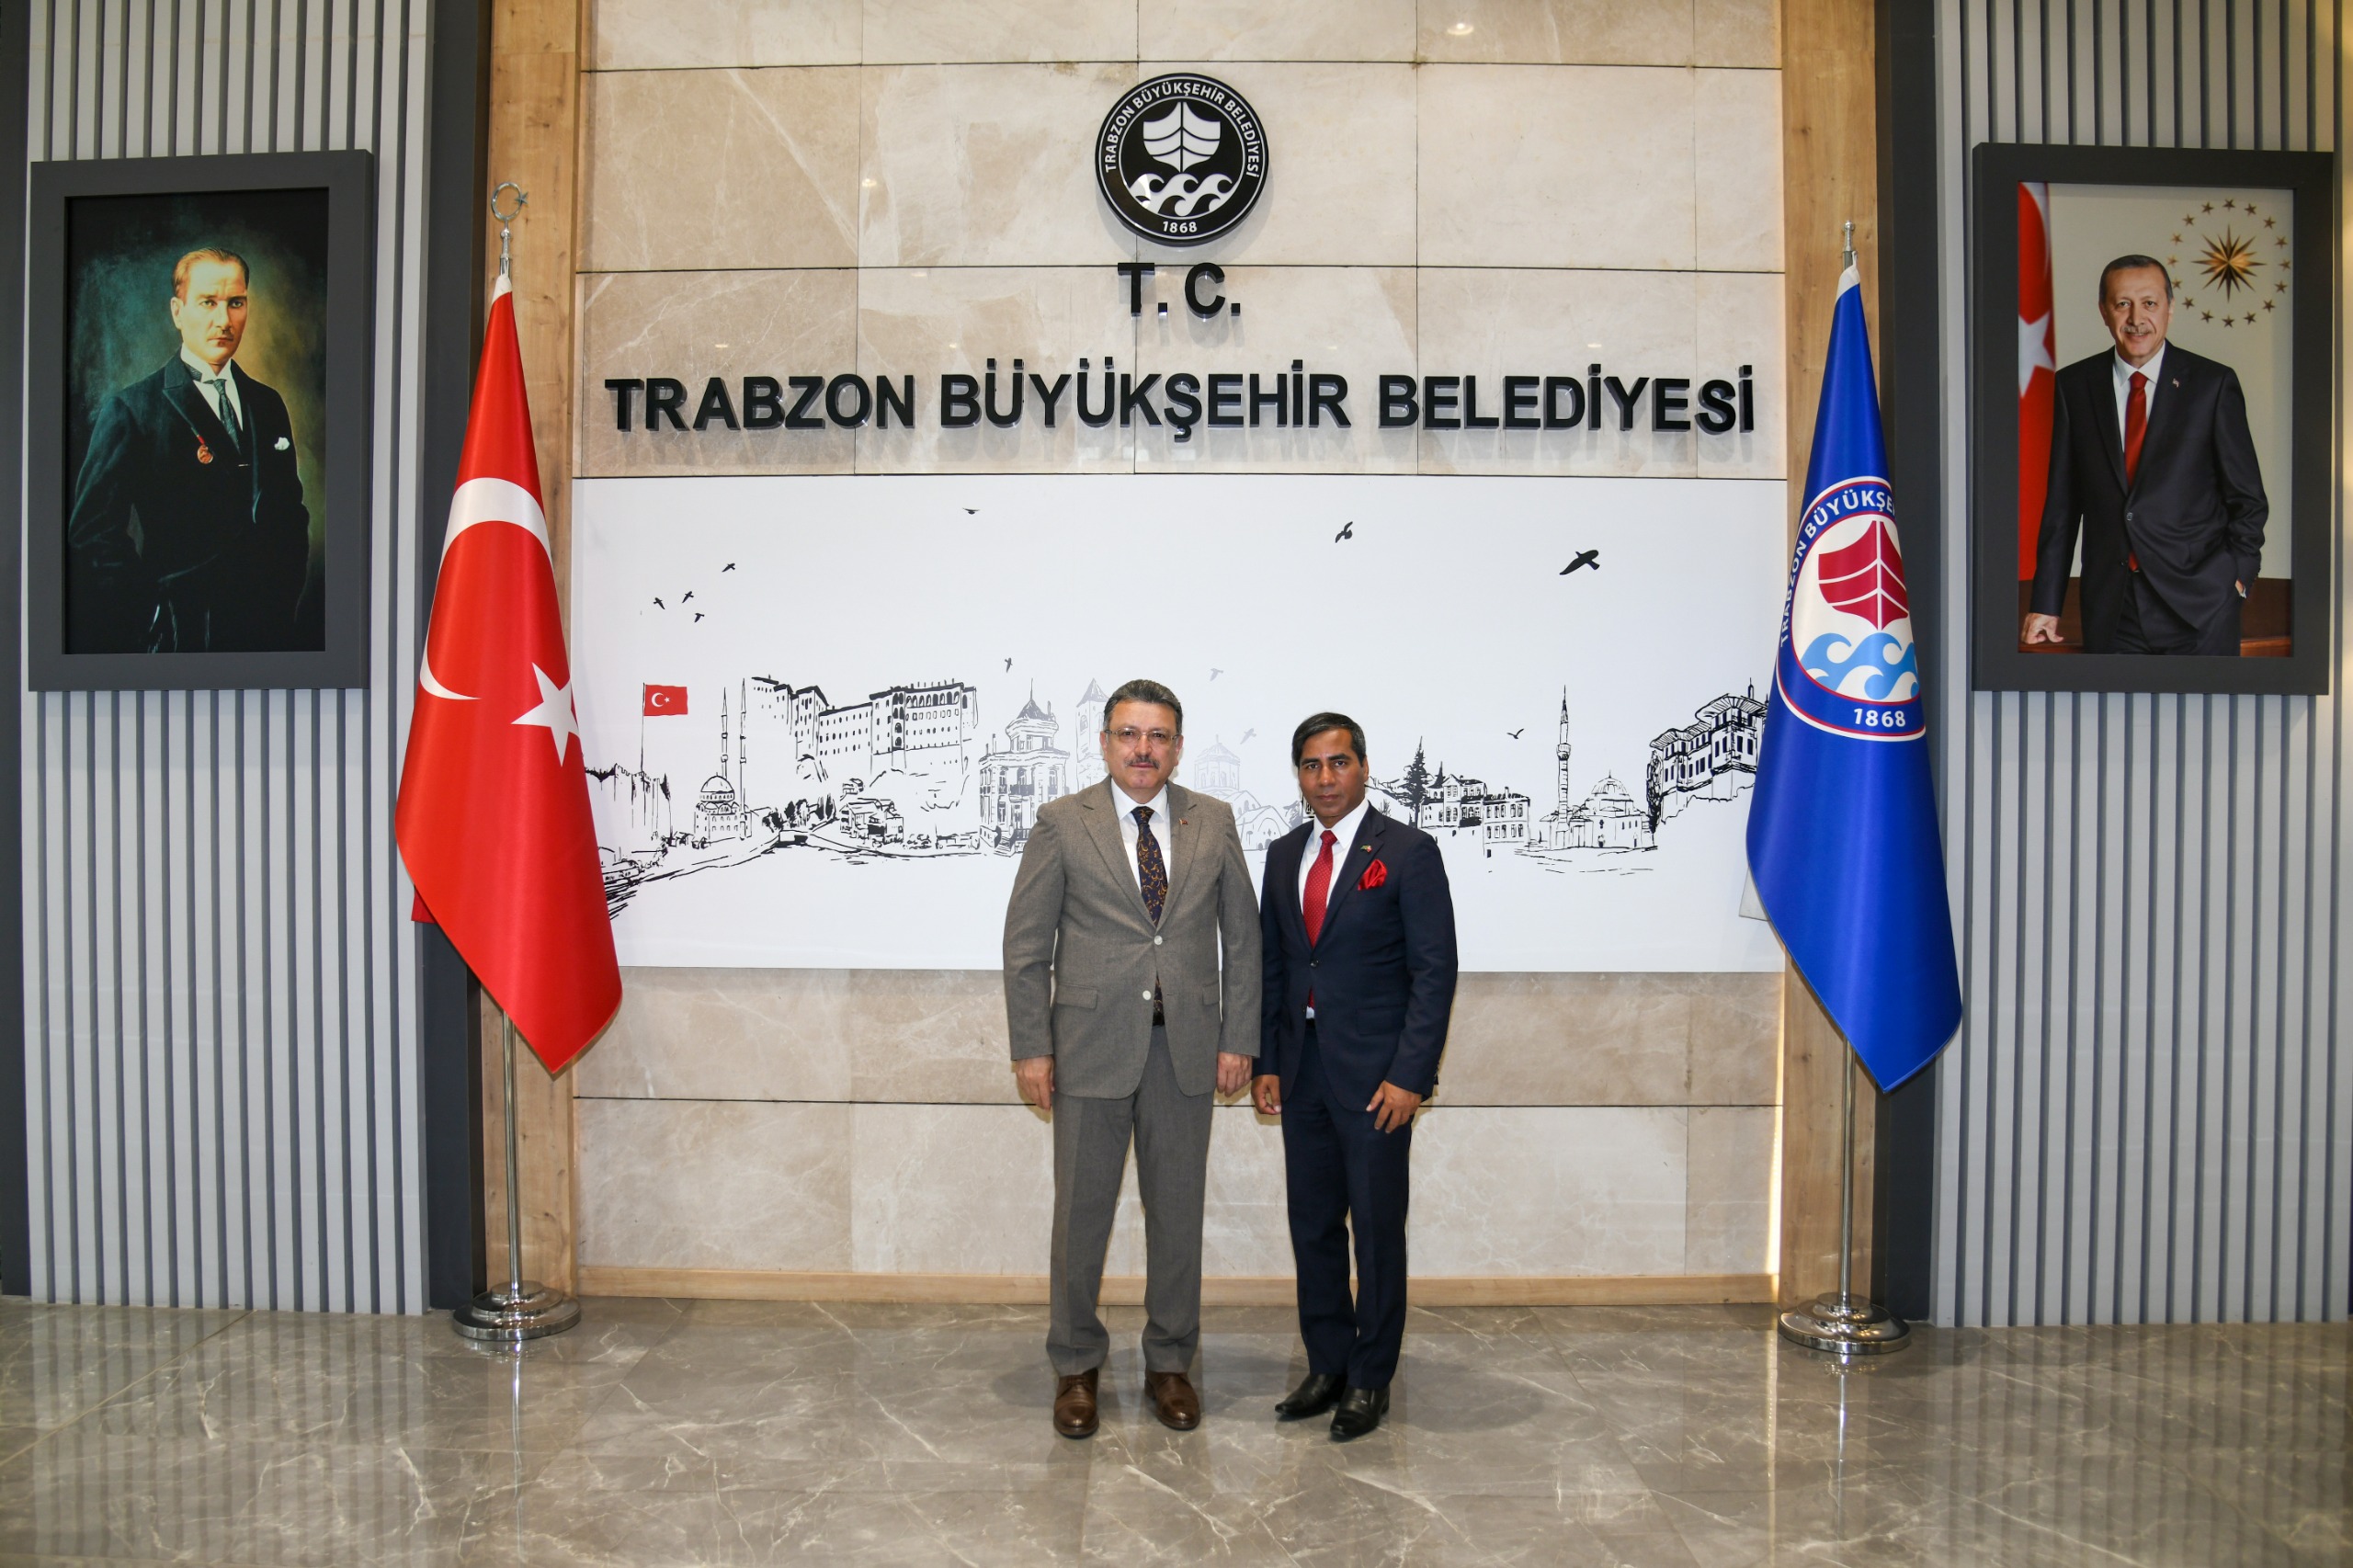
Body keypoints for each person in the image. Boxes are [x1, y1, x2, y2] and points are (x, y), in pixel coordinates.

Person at [1003, 678, 1260, 1438]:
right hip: (1087, 1050)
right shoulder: (1062, 822)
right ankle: (1076, 1366)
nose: (1143, 749)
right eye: (1129, 734)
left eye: (1158, 736)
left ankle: (1171, 1364)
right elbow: (1025, 947)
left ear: (1177, 747)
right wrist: (1031, 1047)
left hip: (1186, 1049)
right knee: (1080, 1218)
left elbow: (1244, 941)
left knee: (1176, 1215)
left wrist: (1239, 1037)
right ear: (1106, 741)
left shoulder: (1214, 820)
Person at [1254, 713, 1457, 1441]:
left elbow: (1434, 973)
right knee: (1312, 1228)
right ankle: (1328, 1365)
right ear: (1299, 776)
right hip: (1302, 1072)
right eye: (1311, 765)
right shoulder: (1284, 855)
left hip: (1377, 1082)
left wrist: (1410, 1076)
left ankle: (1371, 1378)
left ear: (1364, 768)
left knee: (1374, 1232)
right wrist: (1268, 1061)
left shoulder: (1408, 851)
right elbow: (1276, 966)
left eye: (1338, 762)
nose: (1326, 778)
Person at [67, 246, 312, 653]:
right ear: (178, 312)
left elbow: (289, 513)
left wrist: (283, 601)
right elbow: (92, 534)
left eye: (236, 303)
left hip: (267, 636)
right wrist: (153, 612)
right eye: (208, 303)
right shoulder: (133, 409)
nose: (224, 320)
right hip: (184, 639)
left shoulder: (267, 403)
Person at [2023, 253, 2268, 656]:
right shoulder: (2075, 386)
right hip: (2113, 610)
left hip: (2201, 607)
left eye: (2149, 303)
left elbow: (2248, 499)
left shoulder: (2213, 385)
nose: (2137, 318)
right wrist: (2047, 604)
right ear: (2104, 311)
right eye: (2123, 304)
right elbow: (2063, 506)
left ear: (2169, 308)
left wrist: (2236, 577)